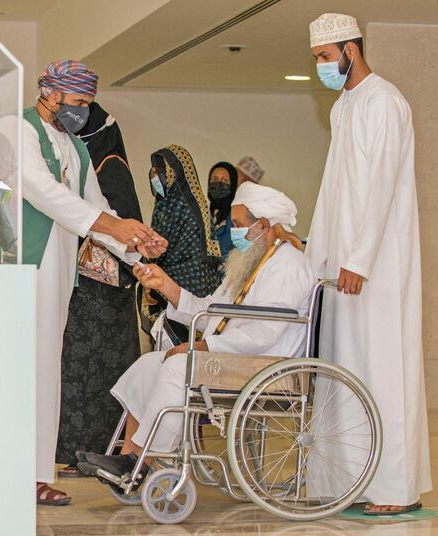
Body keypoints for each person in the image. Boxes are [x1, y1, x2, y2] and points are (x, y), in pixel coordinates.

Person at [77, 183, 314, 478]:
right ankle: (128, 458)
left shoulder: (288, 265)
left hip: (266, 364)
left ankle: (145, 462)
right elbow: (209, 313)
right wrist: (164, 284)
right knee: (150, 364)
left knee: (179, 366)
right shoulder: (251, 263)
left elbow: (266, 333)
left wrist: (204, 348)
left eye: (239, 225)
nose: (233, 232)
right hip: (238, 358)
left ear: (263, 225)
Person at [21, 60, 167, 505]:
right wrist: (111, 224)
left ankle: (35, 473)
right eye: (79, 102)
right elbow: (40, 189)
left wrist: (137, 244)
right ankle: (10, 469)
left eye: (87, 104)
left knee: (46, 368)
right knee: (22, 369)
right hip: (21, 269)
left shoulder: (74, 146)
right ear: (51, 92)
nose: (83, 112)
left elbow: (96, 205)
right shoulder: (17, 128)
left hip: (58, 273)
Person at [305, 13, 431, 515]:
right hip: (344, 266)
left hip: (377, 266)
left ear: (350, 50)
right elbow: (334, 189)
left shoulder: (384, 101)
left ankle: (395, 488)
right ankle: (347, 479)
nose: (321, 67)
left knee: (384, 367)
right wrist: (318, 254)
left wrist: (359, 259)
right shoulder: (344, 106)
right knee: (344, 369)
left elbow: (379, 186)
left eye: (323, 57)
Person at [56, 102, 144, 478]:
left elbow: (120, 223)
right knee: (76, 374)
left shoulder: (110, 167)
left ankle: (94, 451)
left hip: (103, 299)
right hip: (86, 294)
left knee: (96, 377)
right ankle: (76, 451)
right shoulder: (84, 165)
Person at [139, 146, 222, 343]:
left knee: (184, 348)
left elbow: (169, 246)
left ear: (175, 173)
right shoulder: (164, 203)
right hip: (168, 280)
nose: (156, 179)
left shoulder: (190, 206)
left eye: (160, 173)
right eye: (153, 174)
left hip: (192, 282)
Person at [208, 161, 239, 261]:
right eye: (214, 179)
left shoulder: (236, 216)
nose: (218, 184)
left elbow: (226, 251)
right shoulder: (204, 211)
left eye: (225, 180)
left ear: (233, 186)